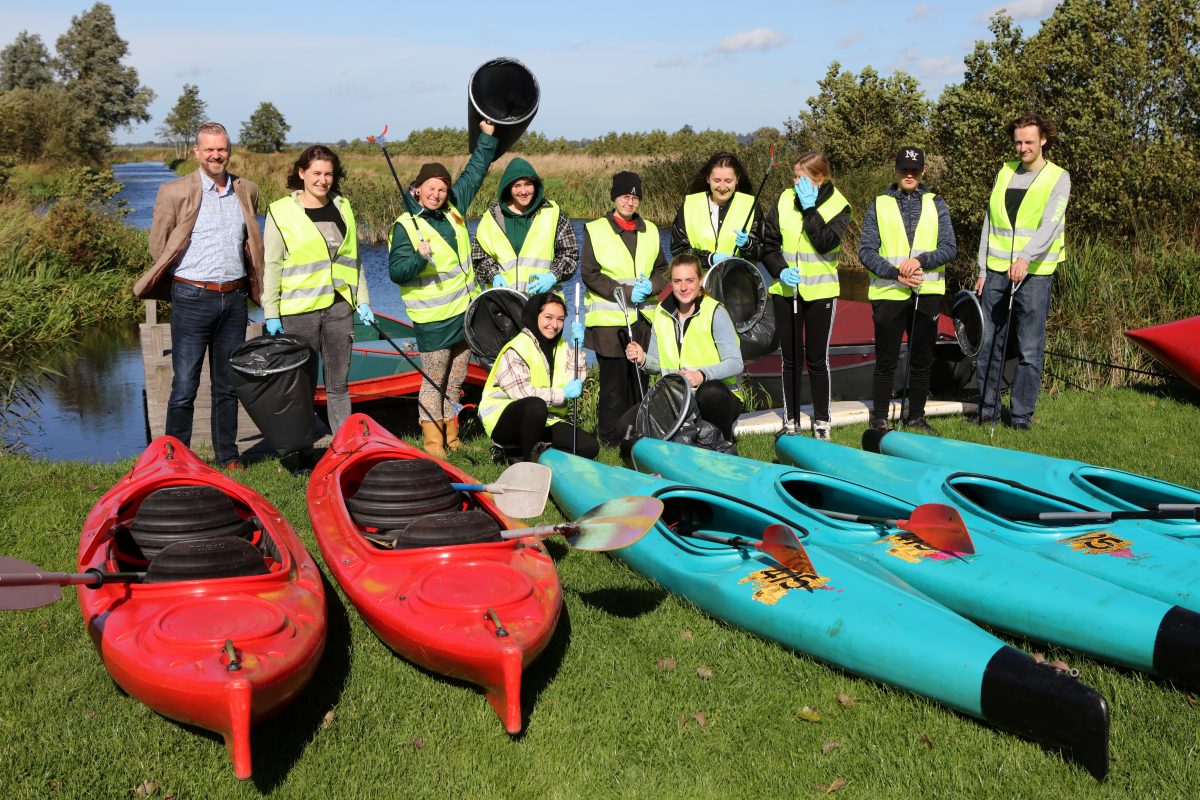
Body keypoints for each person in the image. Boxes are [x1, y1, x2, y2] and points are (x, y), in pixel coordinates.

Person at [135, 121, 264, 472]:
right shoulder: (174, 191)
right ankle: (175, 458)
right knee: (185, 385)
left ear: (229, 150)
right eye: (209, 149)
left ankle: (228, 456)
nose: (216, 155)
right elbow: (157, 246)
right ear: (196, 152)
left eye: (221, 148)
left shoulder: (246, 190)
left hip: (234, 300)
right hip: (191, 298)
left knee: (227, 386)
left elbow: (250, 241)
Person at [389, 120, 497, 458]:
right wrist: (419, 259)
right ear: (417, 189)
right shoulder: (406, 226)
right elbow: (396, 272)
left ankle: (452, 437)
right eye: (430, 189)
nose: (436, 195)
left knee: (457, 377)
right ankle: (433, 445)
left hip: (464, 313)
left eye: (441, 189)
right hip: (434, 319)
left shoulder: (453, 209)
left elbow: (475, 172)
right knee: (434, 381)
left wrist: (488, 137)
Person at [262, 144, 370, 438]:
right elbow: (272, 265)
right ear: (301, 173)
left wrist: (363, 301)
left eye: (328, 174)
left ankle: (345, 445)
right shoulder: (280, 212)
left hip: (339, 308)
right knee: (300, 384)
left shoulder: (343, 207)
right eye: (316, 173)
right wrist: (271, 312)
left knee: (339, 383)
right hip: (300, 310)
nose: (323, 180)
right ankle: (300, 445)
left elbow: (355, 260)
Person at [974, 114, 1071, 430]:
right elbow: (990, 223)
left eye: (1029, 141)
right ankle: (986, 410)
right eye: (1018, 141)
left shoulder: (1058, 177)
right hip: (998, 271)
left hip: (1035, 273)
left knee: (1029, 349)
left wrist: (1026, 258)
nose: (1023, 147)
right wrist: (982, 268)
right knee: (989, 342)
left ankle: (1020, 417)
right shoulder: (1004, 173)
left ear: (1043, 140)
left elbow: (1050, 225)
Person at [858, 146, 957, 434]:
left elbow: (950, 248)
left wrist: (921, 261)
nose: (909, 174)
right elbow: (865, 251)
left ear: (923, 171)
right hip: (889, 292)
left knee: (922, 358)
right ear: (896, 170)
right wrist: (895, 272)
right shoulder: (879, 204)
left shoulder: (936, 203)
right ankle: (879, 418)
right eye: (904, 169)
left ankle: (916, 416)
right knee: (886, 360)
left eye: (915, 170)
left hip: (926, 292)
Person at [762, 152, 852, 440]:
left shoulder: (839, 205)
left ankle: (822, 421)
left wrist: (811, 209)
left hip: (821, 291)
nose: (793, 181)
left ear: (819, 178)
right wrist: (780, 270)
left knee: (816, 358)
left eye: (800, 176)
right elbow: (769, 244)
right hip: (786, 290)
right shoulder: (783, 199)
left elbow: (826, 243)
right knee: (789, 358)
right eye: (794, 175)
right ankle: (790, 420)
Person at [580, 171, 668, 445]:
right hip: (609, 320)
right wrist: (627, 292)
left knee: (639, 382)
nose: (629, 202)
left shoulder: (651, 230)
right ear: (614, 198)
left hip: (642, 318)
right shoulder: (595, 229)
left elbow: (663, 270)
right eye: (624, 197)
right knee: (614, 387)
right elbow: (590, 273)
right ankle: (608, 439)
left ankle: (637, 434)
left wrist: (652, 286)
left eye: (634, 197)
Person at [625, 253, 745, 445]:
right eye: (677, 281)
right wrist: (643, 359)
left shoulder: (715, 311)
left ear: (700, 281)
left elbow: (736, 363)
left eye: (690, 280)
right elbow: (658, 363)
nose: (683, 287)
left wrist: (701, 375)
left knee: (710, 392)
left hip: (718, 396)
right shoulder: (661, 314)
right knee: (624, 427)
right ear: (670, 284)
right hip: (678, 397)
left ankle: (720, 443)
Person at [478, 292, 597, 462]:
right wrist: (562, 394)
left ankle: (531, 453)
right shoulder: (517, 347)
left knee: (588, 447)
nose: (555, 325)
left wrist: (578, 349)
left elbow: (573, 380)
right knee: (535, 405)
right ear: (535, 316)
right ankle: (528, 463)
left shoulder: (561, 345)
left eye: (560, 319)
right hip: (505, 421)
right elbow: (523, 394)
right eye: (548, 317)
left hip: (546, 419)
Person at [472, 157, 577, 294]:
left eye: (528, 184)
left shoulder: (553, 214)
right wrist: (493, 275)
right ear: (508, 187)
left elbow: (570, 255)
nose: (523, 191)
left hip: (543, 304)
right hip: (503, 303)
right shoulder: (492, 217)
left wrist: (553, 275)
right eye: (517, 186)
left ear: (535, 185)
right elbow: (478, 257)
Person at [670, 151, 763, 268]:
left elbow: (761, 252)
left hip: (738, 282)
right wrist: (709, 259)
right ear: (708, 179)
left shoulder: (751, 205)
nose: (722, 187)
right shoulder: (690, 204)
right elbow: (678, 250)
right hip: (700, 283)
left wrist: (748, 245)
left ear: (737, 179)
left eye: (728, 181)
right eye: (717, 180)